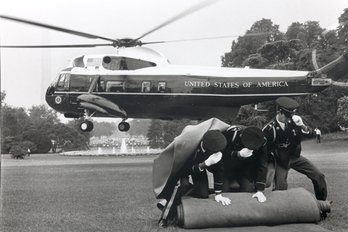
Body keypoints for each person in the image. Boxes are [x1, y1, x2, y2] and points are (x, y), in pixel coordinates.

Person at [263, 97, 327, 200]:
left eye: (291, 115)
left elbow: (310, 135)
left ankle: (322, 204)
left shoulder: (294, 122)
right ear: (279, 111)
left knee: (318, 176)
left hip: (294, 156)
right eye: (288, 115)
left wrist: (302, 126)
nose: (290, 118)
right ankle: (279, 210)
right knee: (280, 188)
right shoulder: (269, 129)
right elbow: (264, 150)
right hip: (280, 160)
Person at [222, 126, 268, 203]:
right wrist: (237, 154)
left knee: (248, 191)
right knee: (223, 192)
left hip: (245, 170)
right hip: (228, 169)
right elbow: (222, 153)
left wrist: (260, 190)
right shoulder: (232, 134)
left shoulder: (262, 141)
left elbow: (262, 165)